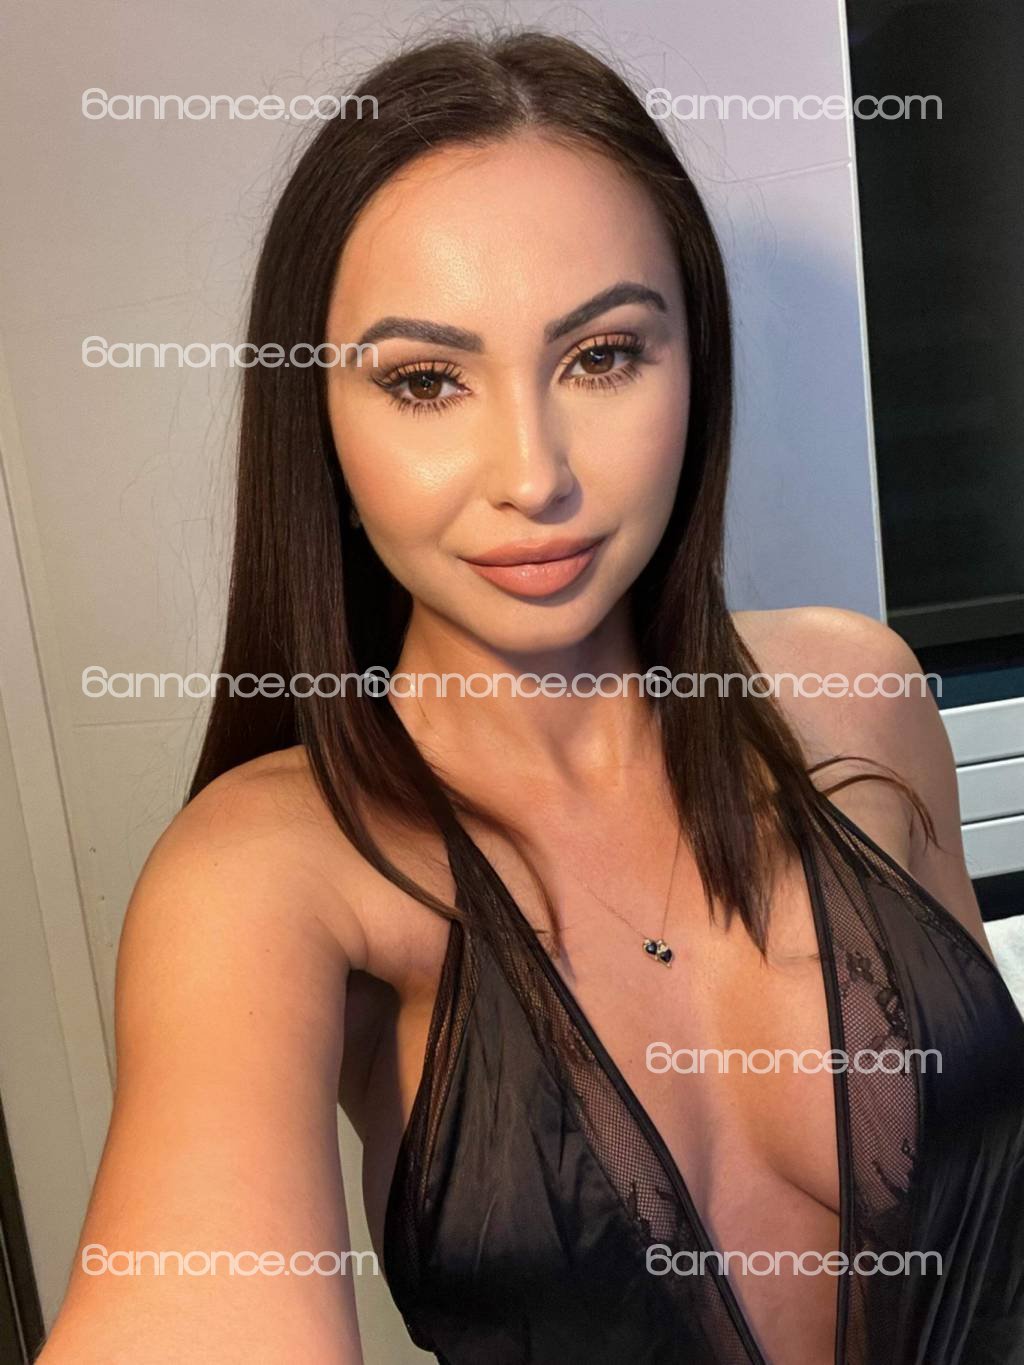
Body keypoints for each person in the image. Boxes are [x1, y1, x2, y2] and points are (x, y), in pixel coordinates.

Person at [39, 29, 1024, 1365]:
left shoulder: (858, 698)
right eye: (425, 380)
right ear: (319, 422)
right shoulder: (270, 873)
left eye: (602, 356)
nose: (533, 474)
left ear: (696, 365)